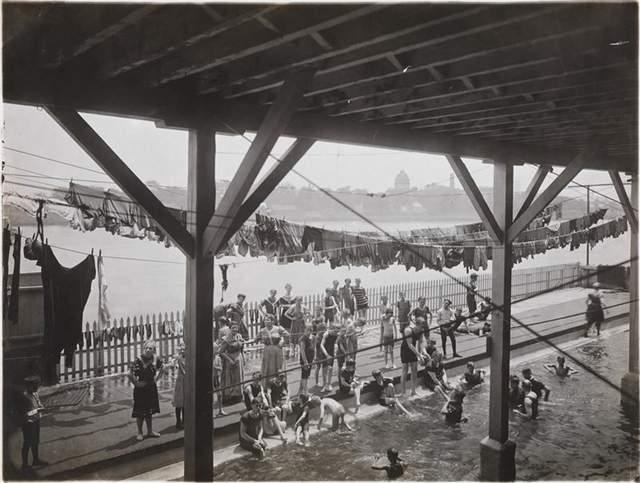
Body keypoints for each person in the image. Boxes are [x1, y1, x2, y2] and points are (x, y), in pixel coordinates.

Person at [129, 341, 165, 441]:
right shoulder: (138, 360)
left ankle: (150, 431)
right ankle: (140, 432)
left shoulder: (155, 359)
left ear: (154, 350)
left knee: (149, 410)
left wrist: (157, 379)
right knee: (140, 411)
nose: (149, 350)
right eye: (147, 348)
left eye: (151, 348)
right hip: (141, 388)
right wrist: (136, 383)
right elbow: (129, 374)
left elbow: (163, 368)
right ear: (144, 348)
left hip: (151, 387)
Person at [20, 376, 47, 471]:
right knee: (27, 443)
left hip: (36, 421)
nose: (36, 388)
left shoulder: (35, 393)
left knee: (35, 442)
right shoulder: (24, 397)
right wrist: (37, 410)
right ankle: (24, 465)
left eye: (37, 386)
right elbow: (25, 414)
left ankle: (35, 460)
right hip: (28, 423)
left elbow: (38, 403)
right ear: (28, 386)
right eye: (34, 386)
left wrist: (41, 406)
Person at [257, 315, 289, 388]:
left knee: (278, 368)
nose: (265, 322)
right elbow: (255, 339)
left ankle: (280, 387)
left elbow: (287, 335)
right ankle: (267, 386)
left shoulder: (278, 329)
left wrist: (282, 342)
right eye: (265, 320)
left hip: (277, 351)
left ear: (272, 321)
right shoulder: (262, 330)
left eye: (268, 320)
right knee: (267, 368)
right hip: (267, 352)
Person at [220, 323, 245, 404]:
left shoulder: (239, 336)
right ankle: (231, 396)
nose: (235, 330)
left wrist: (243, 359)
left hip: (239, 358)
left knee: (239, 377)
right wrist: (230, 360)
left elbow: (242, 349)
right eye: (233, 328)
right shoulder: (226, 339)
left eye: (236, 328)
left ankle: (238, 396)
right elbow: (221, 352)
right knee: (231, 378)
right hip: (230, 360)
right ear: (230, 329)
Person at [400, 320, 422, 396]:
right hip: (405, 350)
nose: (421, 328)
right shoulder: (408, 330)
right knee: (405, 370)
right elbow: (410, 345)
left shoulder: (420, 331)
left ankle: (413, 391)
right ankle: (403, 392)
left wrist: (421, 354)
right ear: (416, 324)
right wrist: (419, 355)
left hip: (413, 351)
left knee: (414, 370)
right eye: (421, 327)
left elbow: (420, 344)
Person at [169, 342, 186, 429]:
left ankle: (184, 420)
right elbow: (181, 370)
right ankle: (178, 421)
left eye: (184, 349)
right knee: (179, 401)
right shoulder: (178, 359)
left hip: (187, 381)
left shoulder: (190, 358)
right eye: (181, 350)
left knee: (185, 402)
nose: (183, 351)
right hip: (180, 381)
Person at [320, 323, 339, 392]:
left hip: (331, 352)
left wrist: (335, 352)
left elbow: (336, 344)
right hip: (325, 353)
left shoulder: (336, 335)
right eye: (335, 331)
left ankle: (329, 383)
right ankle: (324, 384)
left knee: (330, 368)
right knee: (324, 369)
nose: (336, 333)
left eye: (337, 332)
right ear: (332, 329)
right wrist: (326, 355)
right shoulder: (326, 334)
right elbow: (321, 345)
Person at [298, 324, 316, 395]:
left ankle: (300, 391)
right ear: (304, 330)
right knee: (304, 376)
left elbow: (314, 349)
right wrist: (305, 362)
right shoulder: (303, 339)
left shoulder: (313, 337)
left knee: (306, 375)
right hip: (305, 359)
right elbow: (302, 351)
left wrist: (313, 359)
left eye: (310, 330)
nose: (309, 332)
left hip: (310, 359)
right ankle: (306, 392)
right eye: (307, 330)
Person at [312, 309, 327, 387]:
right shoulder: (318, 337)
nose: (325, 330)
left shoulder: (321, 336)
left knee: (321, 367)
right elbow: (316, 347)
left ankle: (320, 382)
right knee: (318, 367)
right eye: (324, 329)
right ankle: (317, 382)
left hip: (321, 353)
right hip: (319, 354)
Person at [213, 338, 227, 417]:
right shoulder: (207, 358)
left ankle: (221, 410)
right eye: (215, 349)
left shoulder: (218, 358)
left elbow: (221, 368)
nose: (217, 351)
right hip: (210, 378)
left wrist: (215, 368)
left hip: (216, 378)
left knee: (219, 394)